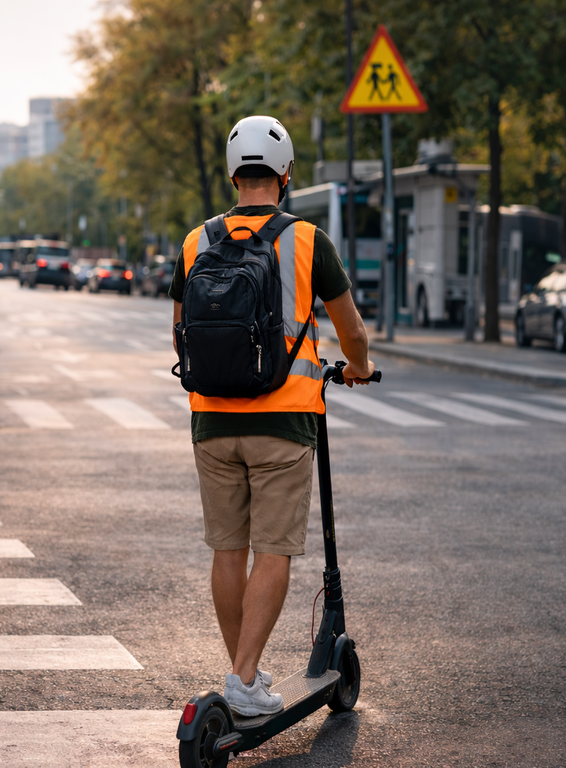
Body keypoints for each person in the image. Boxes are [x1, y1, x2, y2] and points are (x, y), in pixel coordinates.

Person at [169, 115, 375, 717]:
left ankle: (245, 680)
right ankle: (244, 678)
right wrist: (357, 367)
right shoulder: (307, 240)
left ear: (233, 176)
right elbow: (351, 330)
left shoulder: (195, 241)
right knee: (274, 551)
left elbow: (178, 336)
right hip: (282, 421)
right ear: (286, 176)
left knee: (227, 550)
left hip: (211, 420)